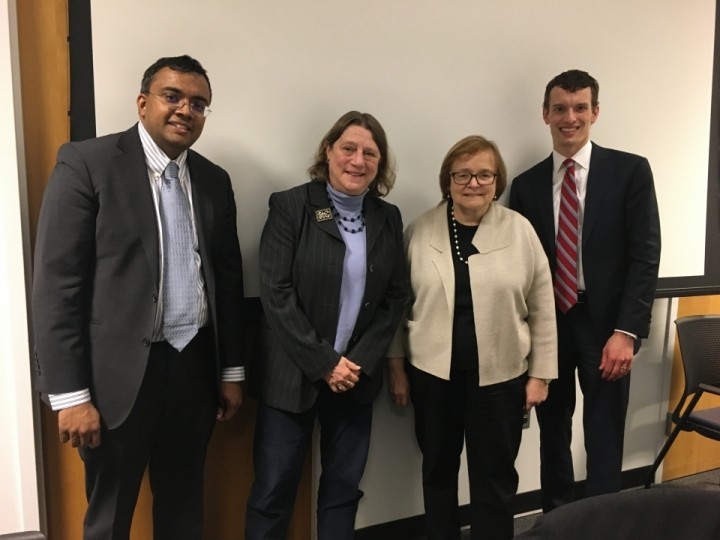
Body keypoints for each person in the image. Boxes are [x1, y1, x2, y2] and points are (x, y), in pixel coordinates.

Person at [31, 55, 245, 539]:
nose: (185, 110)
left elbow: (228, 282)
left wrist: (231, 372)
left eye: (199, 103)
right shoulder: (87, 163)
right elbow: (57, 286)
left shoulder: (214, 180)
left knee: (183, 508)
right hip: (117, 381)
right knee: (109, 516)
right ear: (143, 101)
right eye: (173, 97)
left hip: (194, 370)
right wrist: (70, 395)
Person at [245, 111, 408, 539]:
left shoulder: (387, 217)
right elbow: (276, 293)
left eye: (370, 153)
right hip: (291, 375)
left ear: (380, 162)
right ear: (328, 151)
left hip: (355, 377)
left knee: (342, 488)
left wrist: (356, 362)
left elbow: (394, 297)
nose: (358, 160)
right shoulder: (292, 205)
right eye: (349, 148)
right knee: (273, 489)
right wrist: (324, 363)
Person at [387, 135, 558, 540]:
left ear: (497, 181)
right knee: (438, 473)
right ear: (447, 179)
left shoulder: (520, 231)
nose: (473, 183)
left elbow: (542, 306)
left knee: (494, 478)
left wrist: (541, 375)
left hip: (501, 379)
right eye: (462, 174)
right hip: (432, 377)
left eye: (484, 174)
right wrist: (395, 367)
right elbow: (396, 305)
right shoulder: (419, 230)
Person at [509, 69, 661, 512]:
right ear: (545, 114)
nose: (569, 117)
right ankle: (557, 520)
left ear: (595, 112)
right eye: (560, 108)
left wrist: (627, 331)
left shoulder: (630, 171)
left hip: (607, 328)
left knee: (604, 433)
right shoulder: (527, 184)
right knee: (552, 434)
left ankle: (603, 523)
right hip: (550, 327)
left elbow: (645, 256)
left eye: (579, 108)